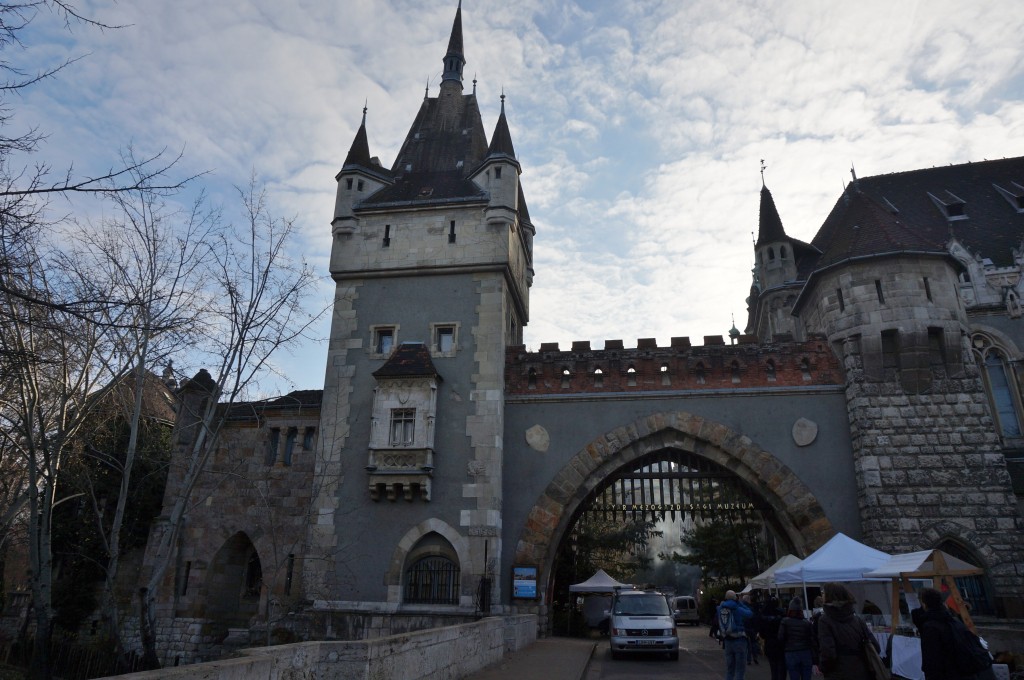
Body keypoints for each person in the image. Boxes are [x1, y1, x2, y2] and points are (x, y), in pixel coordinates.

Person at [911, 587, 990, 680]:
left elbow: (932, 659)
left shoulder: (931, 627)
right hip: (963, 671)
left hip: (948, 673)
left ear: (924, 604)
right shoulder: (953, 621)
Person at [817, 582, 880, 680]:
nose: (822, 596)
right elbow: (875, 646)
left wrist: (823, 668)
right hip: (861, 671)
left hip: (837, 673)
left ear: (830, 596)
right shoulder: (857, 620)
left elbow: (828, 653)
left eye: (823, 593)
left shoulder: (825, 621)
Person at [718, 590, 754, 680]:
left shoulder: (720, 608)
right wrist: (740, 603)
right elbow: (750, 614)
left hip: (727, 640)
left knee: (730, 670)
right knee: (740, 670)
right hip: (739, 640)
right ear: (735, 598)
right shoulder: (736, 608)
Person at [778, 596, 817, 680]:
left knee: (794, 676)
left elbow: (780, 638)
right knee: (806, 676)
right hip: (805, 652)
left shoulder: (785, 621)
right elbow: (812, 640)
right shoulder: (807, 623)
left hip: (791, 652)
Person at [761, 596, 787, 680]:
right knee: (782, 667)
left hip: (770, 643)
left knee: (773, 668)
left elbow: (762, 633)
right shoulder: (782, 613)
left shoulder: (764, 614)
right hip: (781, 644)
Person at [746, 594, 762, 665]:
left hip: (747, 627)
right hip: (754, 628)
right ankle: (755, 657)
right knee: (754, 643)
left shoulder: (748, 608)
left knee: (748, 645)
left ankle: (748, 659)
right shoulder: (757, 608)